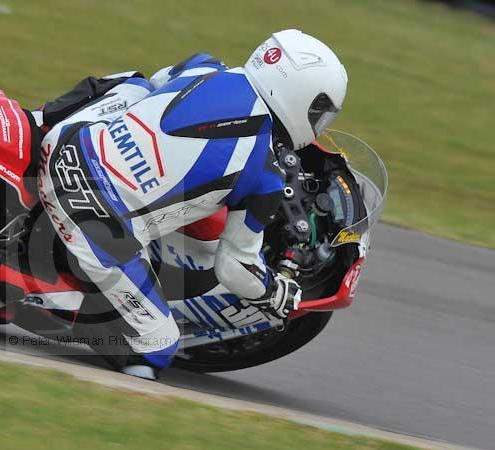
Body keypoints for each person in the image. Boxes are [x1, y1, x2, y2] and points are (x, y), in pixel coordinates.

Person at [32, 29, 348, 379]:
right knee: (160, 345)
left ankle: (36, 120)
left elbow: (158, 82)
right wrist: (274, 292)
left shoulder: (206, 68)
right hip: (89, 215)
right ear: (302, 98)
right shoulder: (264, 174)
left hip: (66, 140)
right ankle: (42, 302)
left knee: (136, 85)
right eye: (321, 111)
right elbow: (235, 267)